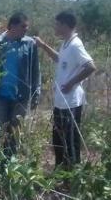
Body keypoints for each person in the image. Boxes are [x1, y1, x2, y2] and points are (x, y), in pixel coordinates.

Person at [34, 11, 96, 168]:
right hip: (61, 101)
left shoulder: (76, 45)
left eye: (57, 24)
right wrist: (43, 46)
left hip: (71, 102)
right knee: (58, 138)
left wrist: (71, 83)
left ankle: (72, 175)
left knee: (70, 139)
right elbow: (59, 59)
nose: (55, 27)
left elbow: (90, 66)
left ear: (65, 25)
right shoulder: (66, 43)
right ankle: (61, 171)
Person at [0, 12, 41, 157]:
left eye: (27, 27)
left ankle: (9, 169)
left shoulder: (30, 44)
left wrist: (36, 94)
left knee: (14, 135)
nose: (26, 29)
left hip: (20, 97)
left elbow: (36, 71)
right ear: (12, 26)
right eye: (23, 26)